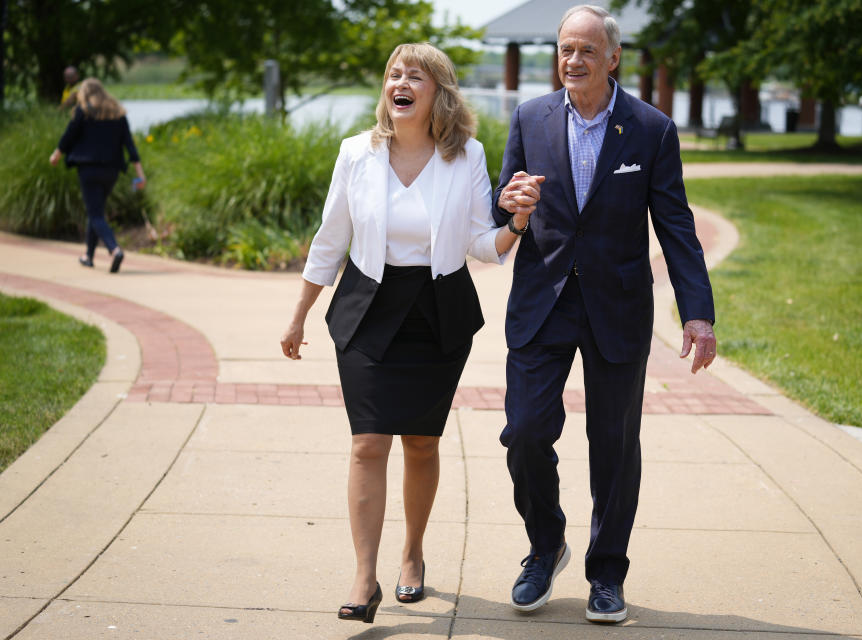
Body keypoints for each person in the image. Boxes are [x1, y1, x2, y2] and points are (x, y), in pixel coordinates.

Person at [279, 42, 528, 625]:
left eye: (415, 75)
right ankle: (364, 578)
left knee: (421, 442)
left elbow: (478, 244)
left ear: (438, 92)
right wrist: (298, 315)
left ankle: (412, 553)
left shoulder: (465, 155)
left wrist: (515, 223)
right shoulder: (355, 154)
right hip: (367, 308)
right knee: (368, 442)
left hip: (438, 313)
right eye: (394, 73)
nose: (401, 81)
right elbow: (329, 239)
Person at [493, 5, 718, 624]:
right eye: (566, 49)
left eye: (587, 50)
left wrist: (696, 313)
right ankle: (545, 545)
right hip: (542, 300)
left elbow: (676, 226)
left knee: (613, 444)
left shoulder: (651, 129)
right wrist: (507, 200)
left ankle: (607, 572)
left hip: (618, 306)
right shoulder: (530, 116)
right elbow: (502, 200)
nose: (573, 60)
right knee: (526, 432)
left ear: (613, 58)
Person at [49, 78, 145, 273]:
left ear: (85, 94)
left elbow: (68, 136)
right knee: (96, 210)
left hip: (88, 169)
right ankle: (88, 256)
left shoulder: (83, 113)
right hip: (111, 171)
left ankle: (114, 249)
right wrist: (139, 174)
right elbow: (130, 146)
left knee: (95, 213)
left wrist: (56, 154)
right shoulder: (118, 114)